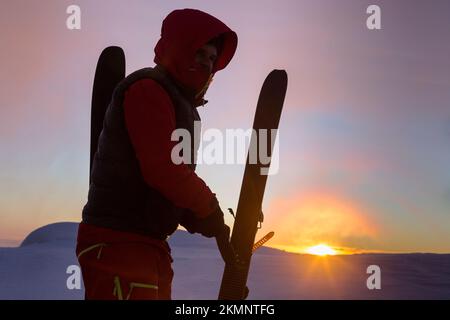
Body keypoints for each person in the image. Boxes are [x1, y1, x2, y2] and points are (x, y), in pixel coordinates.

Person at [75, 8, 238, 300]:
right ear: (178, 49)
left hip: (149, 245)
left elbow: (168, 181)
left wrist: (198, 219)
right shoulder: (148, 89)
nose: (206, 64)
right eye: (199, 53)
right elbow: (163, 169)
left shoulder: (184, 108)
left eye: (212, 59)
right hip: (118, 244)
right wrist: (208, 206)